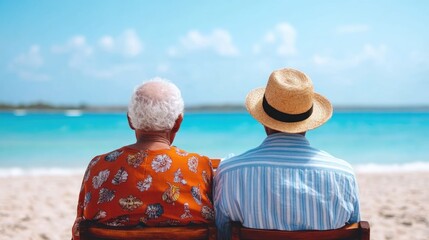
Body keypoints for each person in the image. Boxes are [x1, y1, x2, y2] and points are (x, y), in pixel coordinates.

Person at [214, 68, 360, 239]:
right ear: (308, 123)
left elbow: (222, 234)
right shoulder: (343, 174)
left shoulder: (230, 172)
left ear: (263, 121)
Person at [72, 78, 215, 239]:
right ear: (178, 122)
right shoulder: (199, 167)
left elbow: (79, 231)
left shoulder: (98, 167)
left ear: (130, 120)